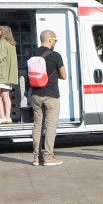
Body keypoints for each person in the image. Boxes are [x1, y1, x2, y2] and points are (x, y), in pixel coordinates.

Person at [30, 30, 66, 166]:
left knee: (37, 126)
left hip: (35, 95)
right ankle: (49, 157)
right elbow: (64, 75)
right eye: (55, 40)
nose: (55, 43)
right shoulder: (55, 55)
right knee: (50, 126)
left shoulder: (32, 54)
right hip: (51, 95)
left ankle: (36, 157)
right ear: (50, 40)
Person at [0, 25, 18, 124]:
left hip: (2, 73)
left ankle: (2, 117)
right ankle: (8, 117)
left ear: (2, 31)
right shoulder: (12, 43)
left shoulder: (2, 42)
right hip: (10, 74)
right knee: (5, 94)